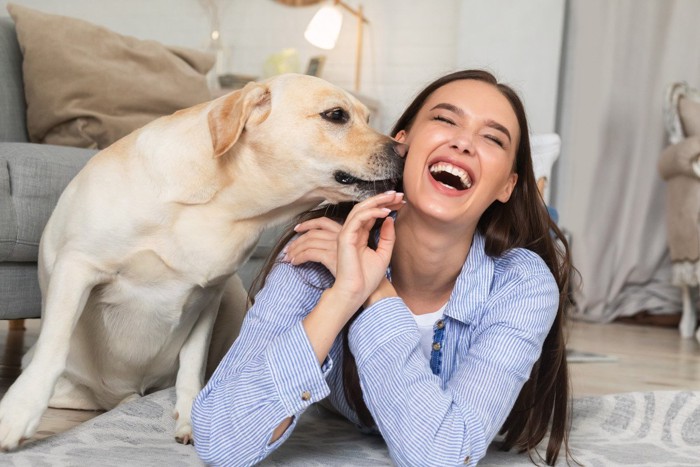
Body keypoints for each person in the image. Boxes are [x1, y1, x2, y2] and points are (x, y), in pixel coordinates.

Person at [191, 69, 573, 466]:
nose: (463, 142)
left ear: (507, 186)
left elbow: (441, 458)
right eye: (445, 120)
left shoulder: (522, 284)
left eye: (492, 138)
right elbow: (221, 439)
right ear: (400, 144)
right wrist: (342, 295)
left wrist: (374, 292)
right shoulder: (319, 247)